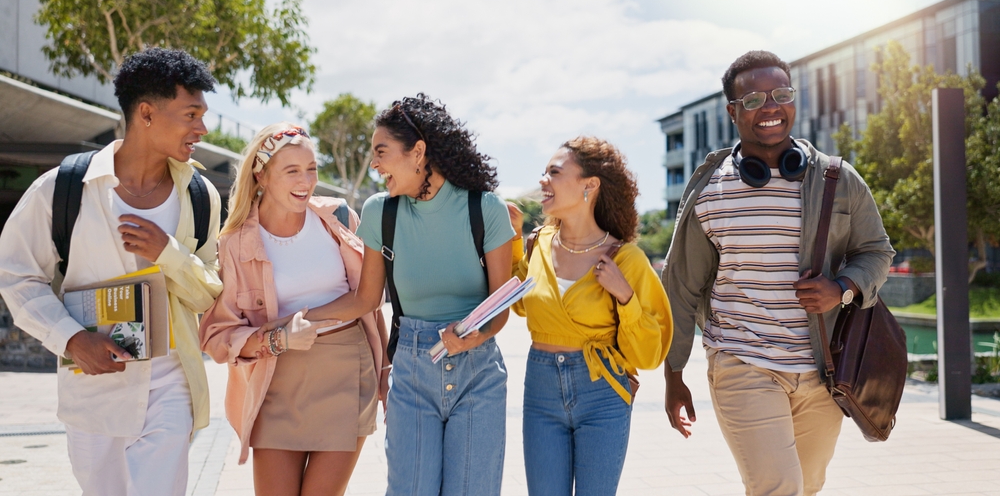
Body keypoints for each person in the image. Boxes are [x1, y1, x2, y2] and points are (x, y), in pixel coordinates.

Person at [661, 50, 895, 496]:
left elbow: (877, 252)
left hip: (824, 371)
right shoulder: (710, 189)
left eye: (781, 94)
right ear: (733, 111)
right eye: (752, 100)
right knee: (778, 487)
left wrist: (842, 288)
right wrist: (674, 375)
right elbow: (681, 287)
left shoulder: (837, 179)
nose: (770, 107)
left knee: (807, 486)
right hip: (741, 361)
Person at [0, 48, 223, 496]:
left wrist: (170, 253)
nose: (202, 128)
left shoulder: (200, 196)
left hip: (172, 383)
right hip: (93, 388)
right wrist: (72, 340)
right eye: (191, 114)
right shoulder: (61, 189)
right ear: (146, 113)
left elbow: (211, 293)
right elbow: (16, 275)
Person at [301, 93, 515, 496]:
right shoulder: (382, 211)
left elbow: (500, 306)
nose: (375, 165)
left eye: (381, 152)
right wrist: (299, 316)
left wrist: (478, 335)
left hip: (479, 374)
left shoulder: (485, 209)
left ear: (418, 152)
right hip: (413, 373)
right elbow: (365, 299)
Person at [199, 123, 388, 496]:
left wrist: (384, 372)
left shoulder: (339, 219)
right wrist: (277, 339)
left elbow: (369, 306)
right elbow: (217, 337)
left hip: (346, 373)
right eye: (292, 171)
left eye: (312, 169)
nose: (307, 181)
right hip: (274, 380)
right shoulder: (234, 244)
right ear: (261, 175)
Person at [507, 137, 673, 495]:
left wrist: (625, 296)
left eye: (554, 172)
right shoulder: (538, 243)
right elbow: (520, 304)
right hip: (540, 388)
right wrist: (512, 240)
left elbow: (650, 353)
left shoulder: (625, 259)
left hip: (602, 389)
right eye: (544, 172)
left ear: (590, 185)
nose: (543, 180)